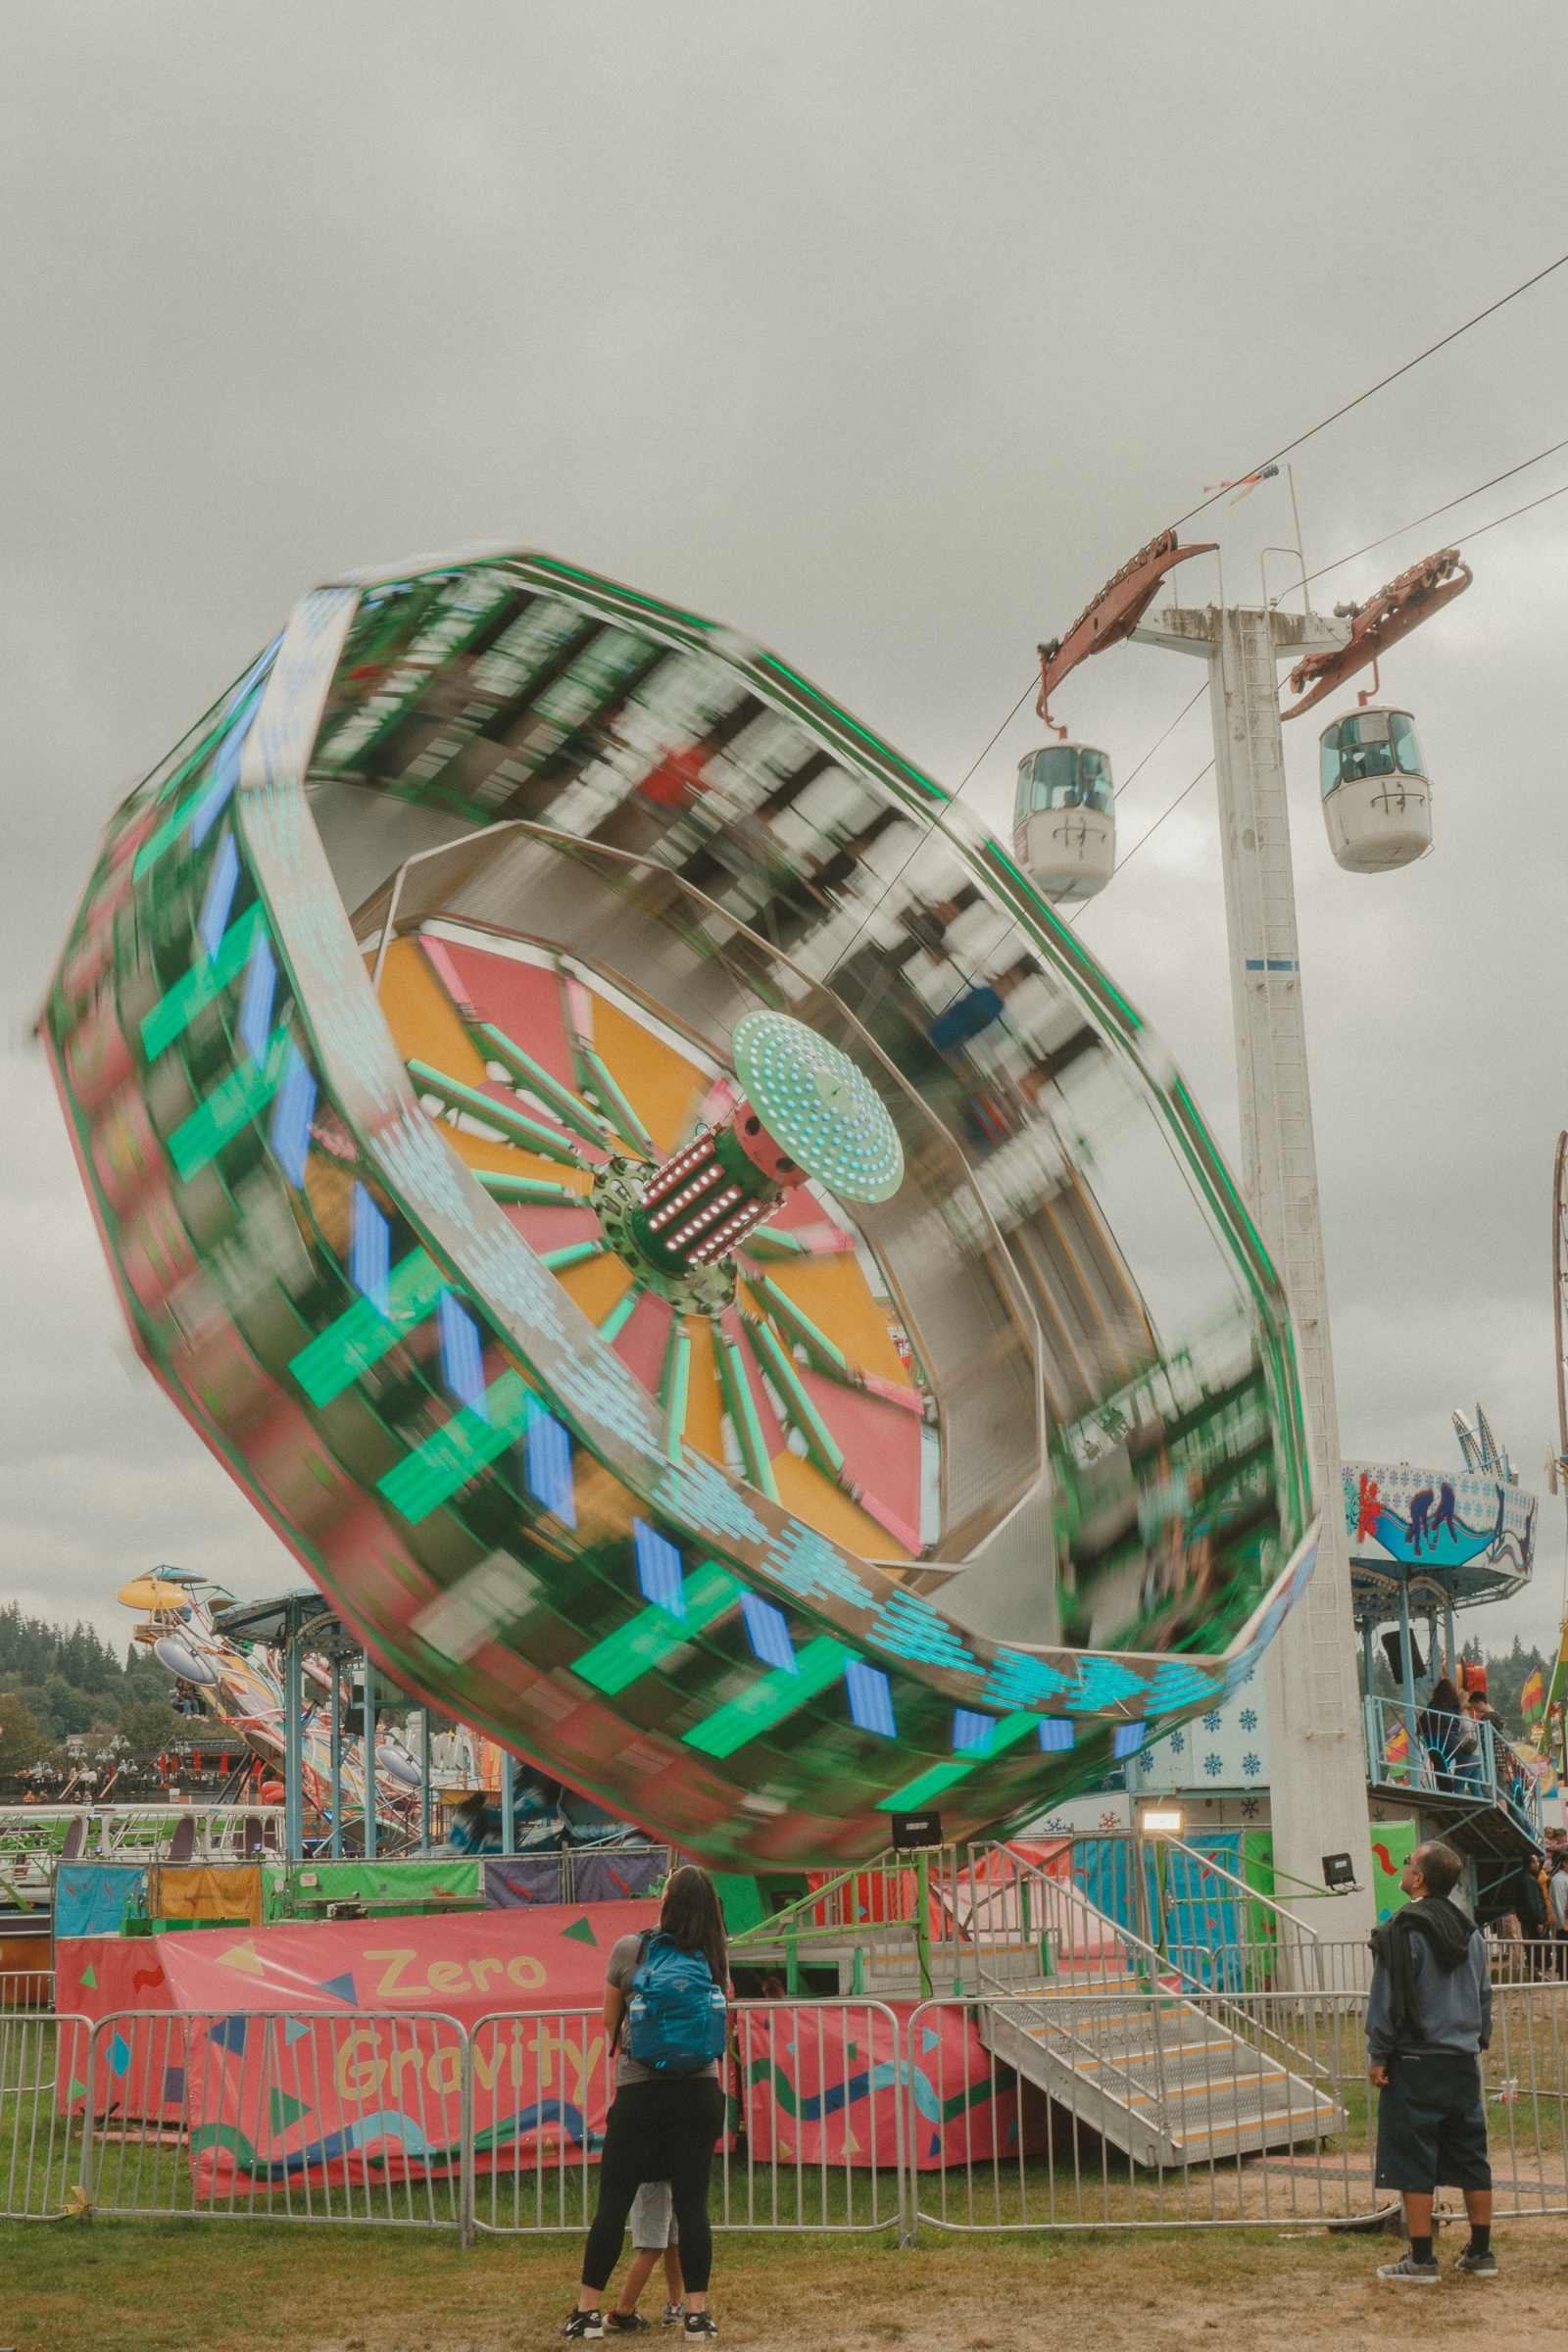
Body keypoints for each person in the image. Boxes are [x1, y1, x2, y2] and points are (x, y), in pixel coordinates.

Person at [564, 1865, 729, 2340]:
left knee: (613, 2203)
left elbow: (608, 2021)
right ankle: (695, 2316)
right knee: (693, 2206)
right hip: (700, 2094)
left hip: (640, 2093)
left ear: (667, 1900)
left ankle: (587, 2312)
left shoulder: (630, 1949)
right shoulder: (714, 1955)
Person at [1366, 1838, 1495, 2283]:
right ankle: (1481, 2252)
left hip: (1415, 2058)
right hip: (1462, 2059)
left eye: (1407, 1863)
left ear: (1418, 1878)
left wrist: (1378, 2052)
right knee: (1471, 2154)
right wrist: (1477, 2041)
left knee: (1413, 2156)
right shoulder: (1471, 1931)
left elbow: (1386, 2000)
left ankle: (1421, 2260)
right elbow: (1484, 1998)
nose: (1403, 1868)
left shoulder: (1401, 1929)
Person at [600, 2180, 686, 2332]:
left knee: (674, 2244)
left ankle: (674, 2305)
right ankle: (623, 2312)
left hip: (675, 2181)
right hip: (654, 2181)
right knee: (653, 2249)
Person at [1416, 1679, 1479, 1794]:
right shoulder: (1455, 1709)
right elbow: (1457, 1724)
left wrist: (1419, 1730)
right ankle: (1448, 1788)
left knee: (1439, 1766)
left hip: (1435, 1742)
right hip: (1452, 1743)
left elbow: (1423, 1721)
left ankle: (1446, 1790)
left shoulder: (1433, 1706)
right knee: (1444, 1764)